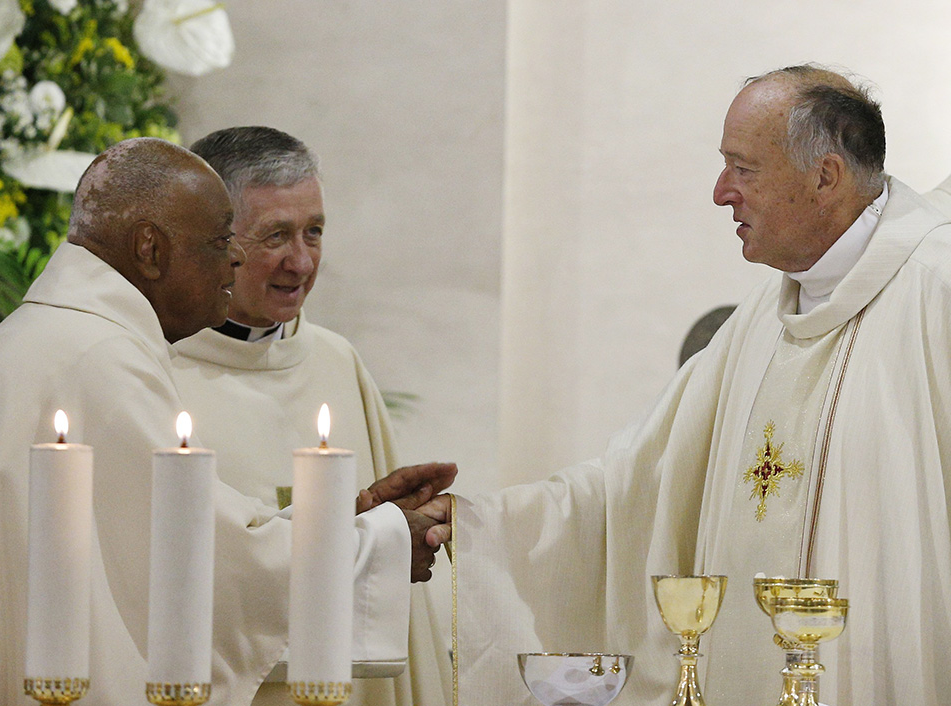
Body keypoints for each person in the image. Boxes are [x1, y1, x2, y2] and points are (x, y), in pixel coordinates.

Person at [405, 65, 951, 706]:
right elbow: (635, 484)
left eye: (742, 169)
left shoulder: (933, 294)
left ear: (825, 176)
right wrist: (479, 524)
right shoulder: (760, 321)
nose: (721, 193)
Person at [0, 137, 452, 705]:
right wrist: (378, 544)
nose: (234, 261)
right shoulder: (100, 358)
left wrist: (340, 518)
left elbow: (162, 541)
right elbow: (196, 563)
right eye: (221, 242)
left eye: (313, 231)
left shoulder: (47, 337)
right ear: (150, 248)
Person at [170, 126, 453, 706]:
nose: (300, 261)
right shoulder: (156, 374)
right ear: (214, 239)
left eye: (314, 232)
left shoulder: (335, 361)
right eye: (276, 235)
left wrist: (392, 528)